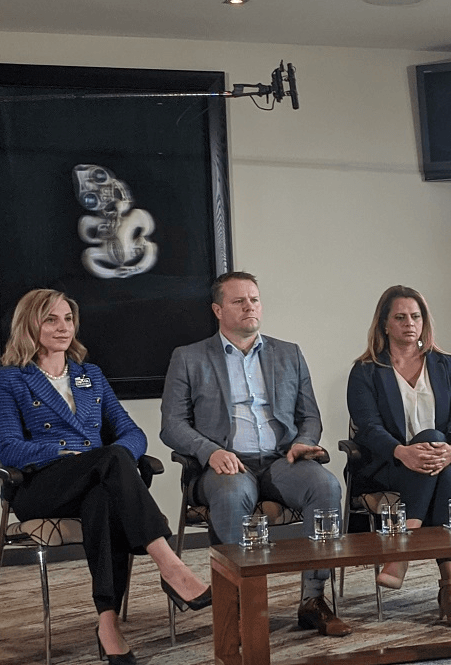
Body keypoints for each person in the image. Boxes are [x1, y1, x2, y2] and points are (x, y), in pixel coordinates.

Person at [0, 289, 211, 665]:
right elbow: (8, 449)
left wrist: (109, 460)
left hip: (95, 480)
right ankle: (170, 565)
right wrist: (67, 453)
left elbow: (133, 433)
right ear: (30, 324)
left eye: (68, 319)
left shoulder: (88, 375)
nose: (63, 327)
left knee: (104, 496)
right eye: (51, 319)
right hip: (41, 486)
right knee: (107, 462)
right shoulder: (11, 379)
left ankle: (107, 624)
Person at [160, 271, 350, 637]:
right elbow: (172, 424)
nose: (250, 306)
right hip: (226, 464)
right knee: (231, 493)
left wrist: (304, 440)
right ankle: (244, 605)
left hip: (283, 461)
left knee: (325, 486)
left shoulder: (288, 353)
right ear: (218, 309)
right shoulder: (189, 357)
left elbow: (309, 415)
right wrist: (209, 451)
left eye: (255, 299)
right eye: (239, 301)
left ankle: (314, 599)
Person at [346, 285, 451, 629]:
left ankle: (401, 548)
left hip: (446, 458)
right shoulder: (365, 371)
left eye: (416, 316)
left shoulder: (449, 366)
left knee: (435, 444)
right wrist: (402, 451)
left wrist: (450, 450)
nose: (410, 323)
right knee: (439, 468)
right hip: (388, 465)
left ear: (424, 323)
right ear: (384, 324)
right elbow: (367, 427)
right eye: (400, 317)